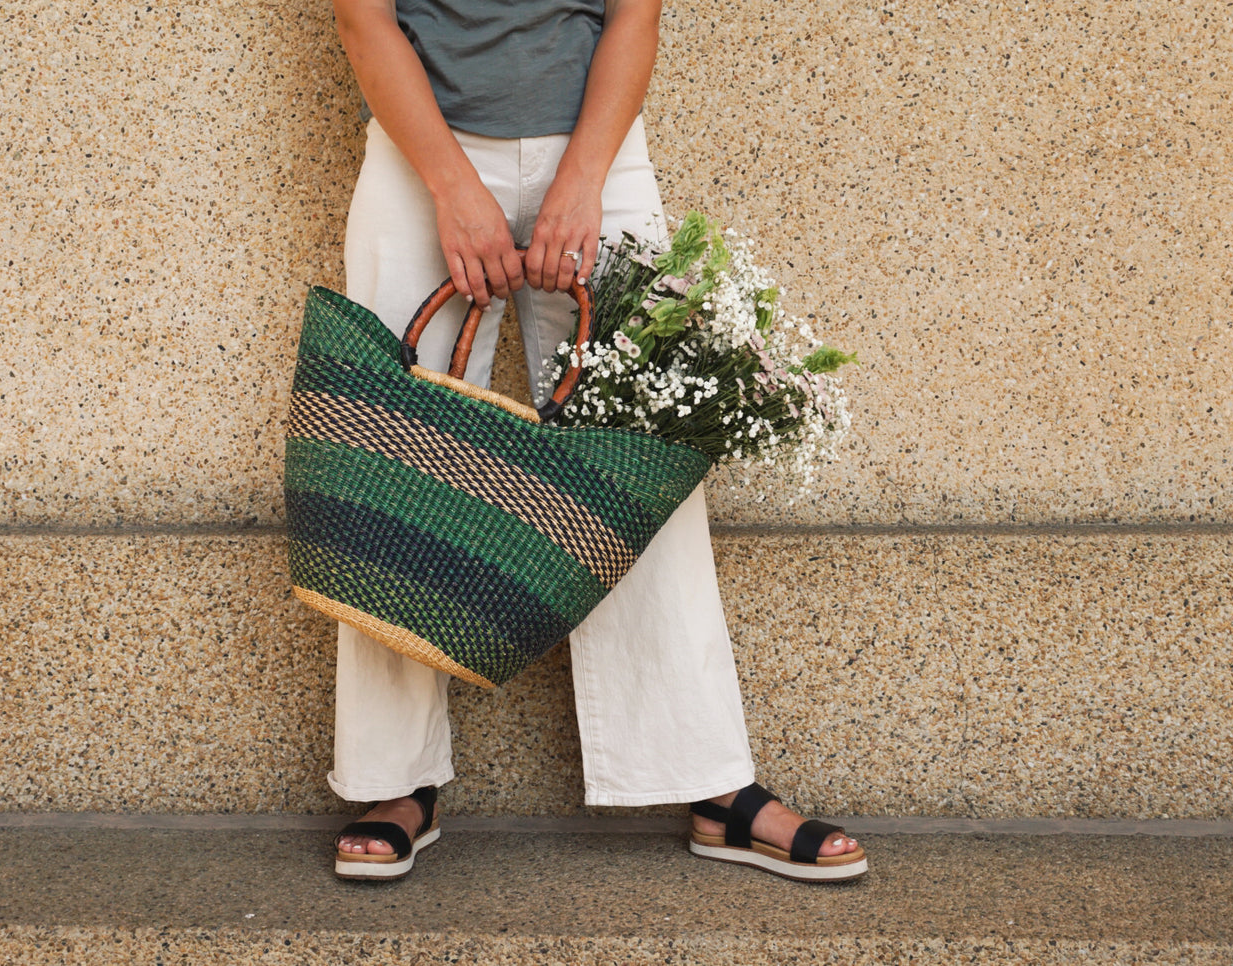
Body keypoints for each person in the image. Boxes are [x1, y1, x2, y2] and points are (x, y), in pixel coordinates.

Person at [326, 0, 868, 883]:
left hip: (600, 152)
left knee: (637, 460)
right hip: (417, 152)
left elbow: (632, 14)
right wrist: (455, 190)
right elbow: (363, 21)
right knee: (394, 463)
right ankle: (395, 780)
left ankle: (709, 782)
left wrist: (580, 183)